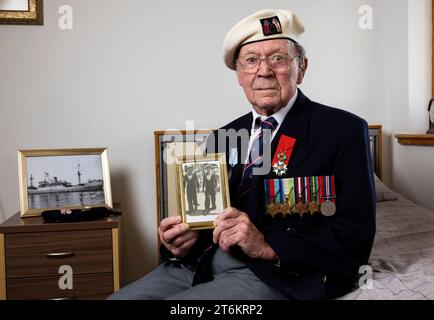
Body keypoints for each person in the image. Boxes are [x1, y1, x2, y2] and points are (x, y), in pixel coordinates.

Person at [108, 8, 375, 300]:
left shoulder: (343, 131)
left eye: (277, 58)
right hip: (198, 264)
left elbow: (355, 238)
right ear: (239, 74)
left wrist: (267, 246)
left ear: (302, 68)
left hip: (275, 273)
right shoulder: (222, 137)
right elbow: (205, 221)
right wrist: (181, 242)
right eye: (251, 61)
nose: (264, 71)